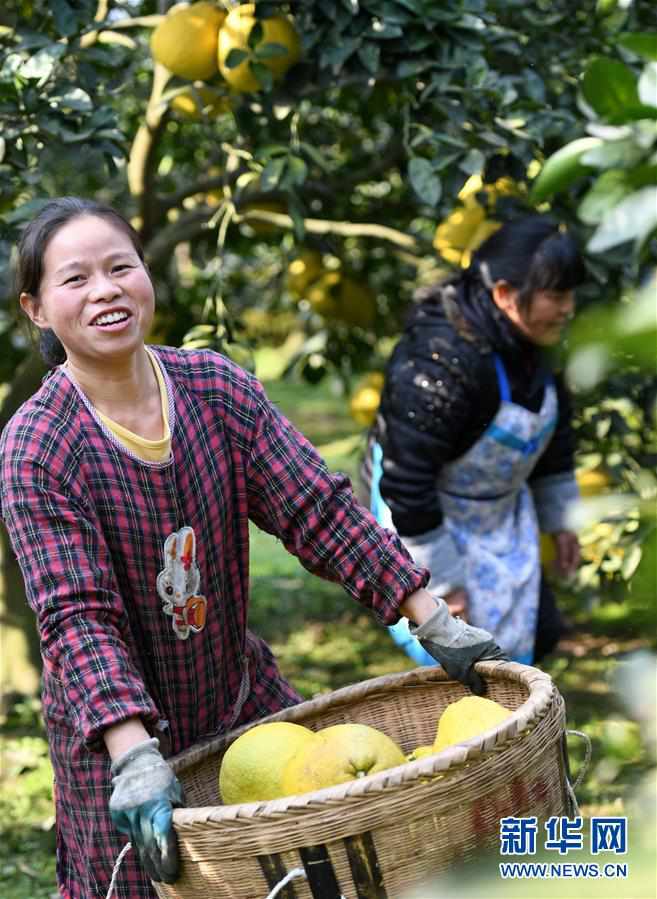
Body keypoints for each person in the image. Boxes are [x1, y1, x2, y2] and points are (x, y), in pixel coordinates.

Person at [0, 197, 506, 899]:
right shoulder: (39, 445)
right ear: (35, 307)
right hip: (114, 744)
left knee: (305, 874)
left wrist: (429, 615)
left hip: (240, 706)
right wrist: (136, 755)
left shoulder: (215, 388)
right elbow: (77, 616)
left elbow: (317, 508)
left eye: (121, 267)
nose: (106, 289)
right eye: (75, 279)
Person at [363, 215, 585, 668]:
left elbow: (555, 434)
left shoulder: (538, 345)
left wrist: (561, 519)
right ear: (504, 294)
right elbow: (408, 480)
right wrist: (437, 580)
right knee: (462, 655)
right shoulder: (439, 362)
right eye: (557, 295)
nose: (569, 309)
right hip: (425, 512)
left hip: (499, 511)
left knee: (539, 633)